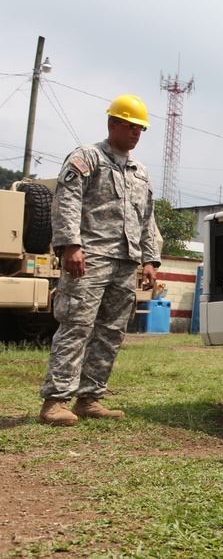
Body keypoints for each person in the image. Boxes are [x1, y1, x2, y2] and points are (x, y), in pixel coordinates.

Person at [39, 94, 161, 427]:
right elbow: (66, 202)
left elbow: (147, 218)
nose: (137, 133)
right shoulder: (86, 158)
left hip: (125, 262)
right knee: (76, 326)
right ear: (113, 123)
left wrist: (150, 259)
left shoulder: (139, 171)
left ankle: (89, 398)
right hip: (89, 258)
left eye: (141, 128)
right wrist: (70, 246)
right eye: (131, 126)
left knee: (111, 333)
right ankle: (55, 401)